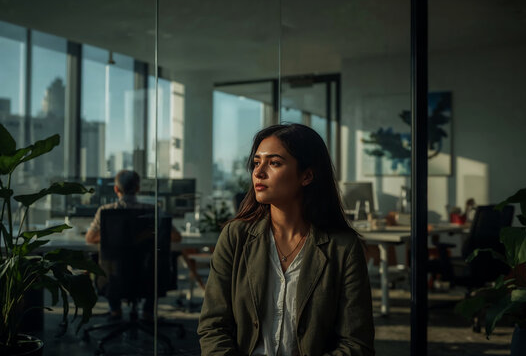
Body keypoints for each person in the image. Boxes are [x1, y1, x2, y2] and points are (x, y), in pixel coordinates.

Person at [198, 124, 375, 355]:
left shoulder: (342, 247)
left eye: (274, 163)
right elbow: (213, 326)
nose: (259, 173)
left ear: (307, 175)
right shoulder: (235, 236)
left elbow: (356, 342)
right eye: (256, 162)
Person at [85, 170, 182, 321]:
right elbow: (176, 237)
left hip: (116, 276)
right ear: (138, 189)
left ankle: (115, 310)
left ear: (116, 189)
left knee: (111, 265)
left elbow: (90, 238)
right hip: (148, 275)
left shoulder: (106, 211)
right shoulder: (154, 210)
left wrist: (117, 235)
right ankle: (148, 312)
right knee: (152, 267)